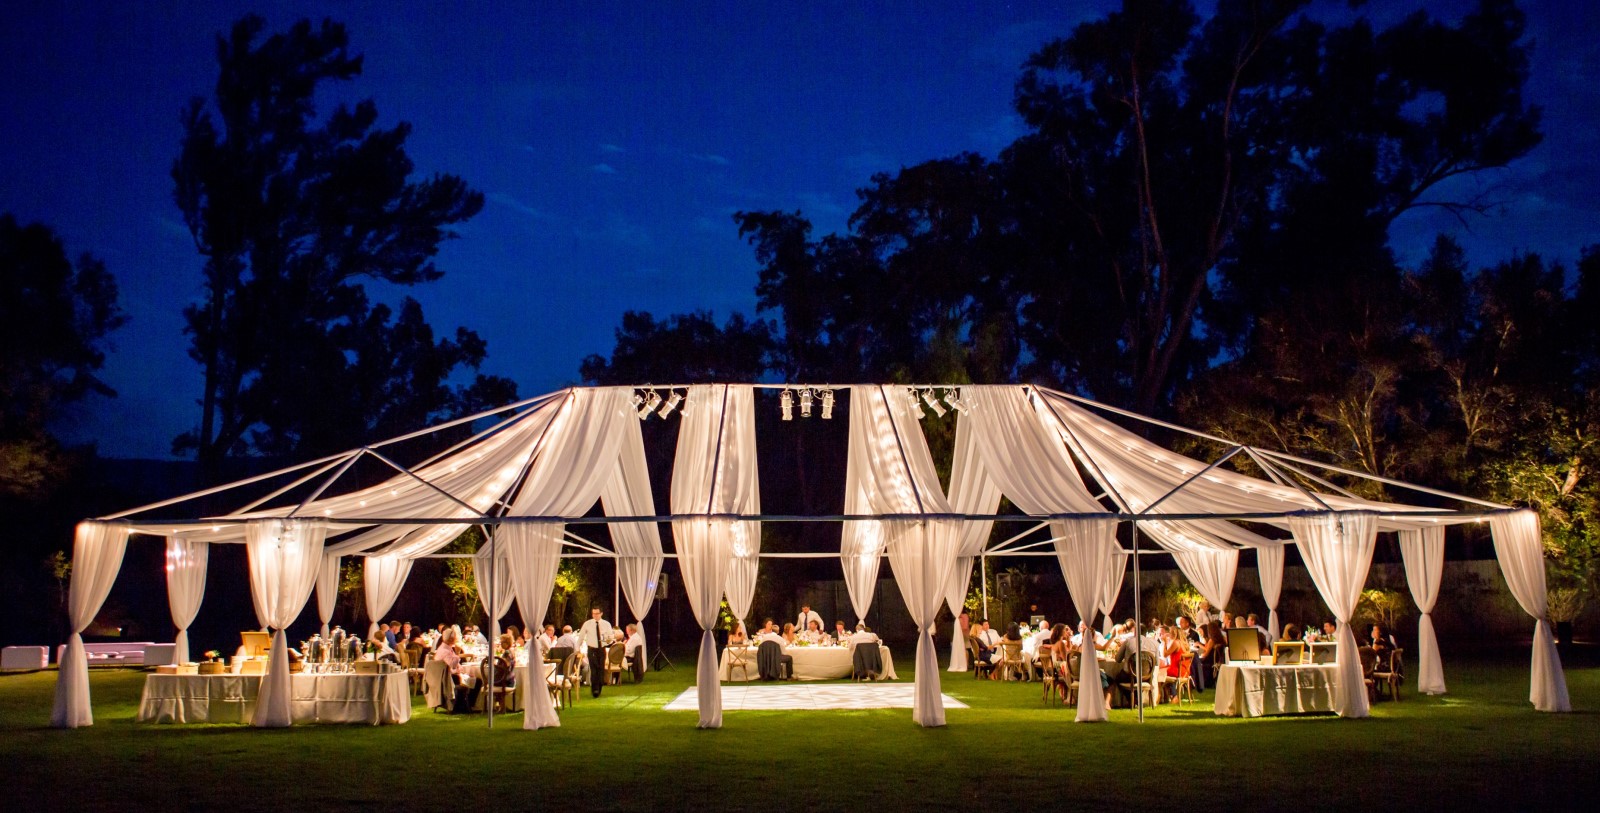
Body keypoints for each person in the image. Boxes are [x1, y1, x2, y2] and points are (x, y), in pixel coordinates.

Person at [578, 608, 614, 698]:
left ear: (601, 613)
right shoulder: (588, 624)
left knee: (600, 668)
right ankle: (595, 689)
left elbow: (610, 637)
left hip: (601, 648)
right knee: (593, 668)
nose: (595, 615)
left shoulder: (606, 624)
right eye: (593, 613)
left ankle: (599, 686)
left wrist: (608, 640)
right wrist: (577, 648)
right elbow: (581, 636)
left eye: (597, 613)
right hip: (592, 648)